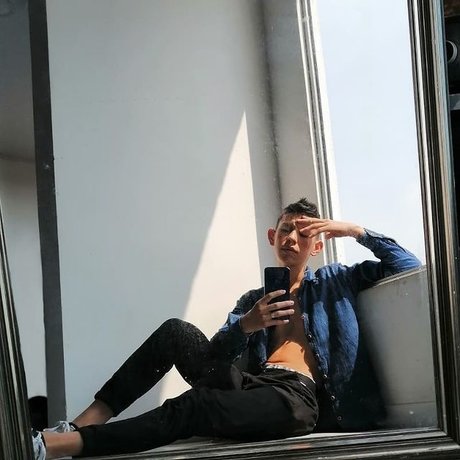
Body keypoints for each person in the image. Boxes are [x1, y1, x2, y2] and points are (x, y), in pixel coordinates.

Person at [32, 197, 421, 459]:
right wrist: (248, 324)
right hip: (253, 383)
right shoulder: (253, 299)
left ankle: (56, 446)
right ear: (272, 237)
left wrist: (354, 231)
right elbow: (216, 356)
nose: (291, 238)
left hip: (298, 398)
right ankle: (80, 423)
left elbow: (406, 265)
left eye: (304, 233)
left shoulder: (337, 279)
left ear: (317, 245)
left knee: (194, 405)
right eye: (285, 229)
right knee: (175, 331)